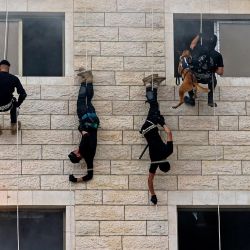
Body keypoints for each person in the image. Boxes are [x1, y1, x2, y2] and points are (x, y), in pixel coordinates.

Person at [140, 74, 173, 205]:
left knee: (154, 107)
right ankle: (154, 86)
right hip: (146, 130)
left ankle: (149, 85)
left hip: (152, 125)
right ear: (160, 166)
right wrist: (153, 195)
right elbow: (150, 181)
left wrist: (162, 123)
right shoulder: (154, 162)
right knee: (155, 106)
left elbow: (169, 133)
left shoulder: (168, 152)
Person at [68, 68, 99, 183]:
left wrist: (76, 180)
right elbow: (85, 135)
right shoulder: (82, 150)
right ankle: (89, 79)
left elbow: (89, 175)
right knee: (83, 101)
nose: (75, 150)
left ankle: (84, 81)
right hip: (88, 120)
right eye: (74, 151)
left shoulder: (89, 158)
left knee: (85, 101)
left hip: (93, 122)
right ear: (76, 154)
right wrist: (80, 129)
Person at [184, 33, 224, 107]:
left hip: (195, 78)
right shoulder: (217, 55)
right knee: (213, 80)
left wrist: (199, 35)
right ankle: (210, 101)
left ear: (205, 42)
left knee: (187, 75)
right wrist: (213, 68)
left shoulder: (198, 49)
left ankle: (191, 98)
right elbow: (220, 72)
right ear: (215, 43)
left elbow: (192, 44)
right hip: (208, 79)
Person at [0, 59, 27, 135]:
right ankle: (13, 124)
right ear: (8, 68)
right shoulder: (14, 78)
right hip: (7, 105)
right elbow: (23, 94)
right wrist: (18, 104)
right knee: (14, 102)